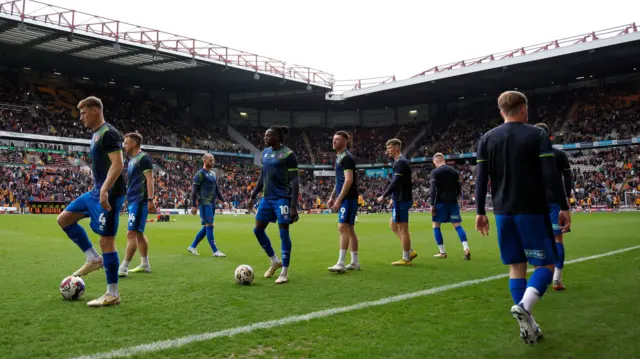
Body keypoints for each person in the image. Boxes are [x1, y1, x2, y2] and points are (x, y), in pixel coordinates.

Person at [475, 91, 571, 345]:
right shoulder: (536, 134)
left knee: (516, 267)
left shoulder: (486, 138)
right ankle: (526, 307)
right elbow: (550, 175)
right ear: (524, 108)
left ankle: (529, 323)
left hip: (502, 212)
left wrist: (480, 212)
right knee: (546, 266)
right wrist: (563, 205)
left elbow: (481, 178)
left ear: (501, 111)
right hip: (531, 209)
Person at [56, 96, 126, 307]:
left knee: (107, 241)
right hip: (96, 191)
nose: (81, 117)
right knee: (64, 219)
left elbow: (118, 164)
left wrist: (104, 190)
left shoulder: (109, 133)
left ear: (95, 110)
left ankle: (112, 293)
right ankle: (93, 259)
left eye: (84, 112)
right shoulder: (95, 134)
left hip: (110, 194)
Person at [247, 125, 300, 284]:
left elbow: (295, 180)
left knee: (283, 231)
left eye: (268, 135)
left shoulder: (288, 154)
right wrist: (253, 195)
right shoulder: (265, 153)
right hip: (267, 198)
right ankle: (274, 260)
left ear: (277, 137)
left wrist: (293, 205)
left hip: (282, 198)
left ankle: (284, 271)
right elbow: (263, 175)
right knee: (257, 230)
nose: (265, 138)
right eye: (265, 135)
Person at [535, 123, 573, 291]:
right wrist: (567, 198)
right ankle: (557, 279)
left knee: (537, 238)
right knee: (558, 239)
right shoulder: (559, 154)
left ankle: (539, 275)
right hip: (555, 201)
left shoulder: (529, 156)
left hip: (534, 202)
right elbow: (567, 177)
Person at [118, 132, 155, 277]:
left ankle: (123, 267)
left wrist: (150, 199)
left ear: (134, 144)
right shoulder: (132, 160)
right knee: (139, 233)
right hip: (133, 200)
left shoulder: (143, 158)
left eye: (126, 143)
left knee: (131, 233)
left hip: (140, 200)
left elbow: (150, 179)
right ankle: (145, 264)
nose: (124, 145)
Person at [377, 138, 417, 266]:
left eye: (389, 148)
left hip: (401, 200)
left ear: (397, 148)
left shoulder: (400, 163)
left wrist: (384, 196)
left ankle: (406, 258)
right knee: (393, 226)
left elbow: (396, 182)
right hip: (399, 198)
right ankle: (410, 251)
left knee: (402, 229)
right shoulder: (399, 162)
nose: (387, 151)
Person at [327, 131, 360, 272]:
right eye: (334, 139)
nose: (334, 141)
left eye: (338, 139)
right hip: (347, 197)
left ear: (345, 141)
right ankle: (354, 262)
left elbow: (349, 180)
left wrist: (339, 199)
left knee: (342, 228)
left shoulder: (346, 158)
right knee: (350, 229)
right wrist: (332, 196)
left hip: (348, 198)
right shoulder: (339, 157)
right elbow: (339, 180)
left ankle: (341, 263)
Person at [429, 153, 471, 260]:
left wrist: (432, 204)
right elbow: (459, 189)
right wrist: (455, 197)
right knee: (457, 225)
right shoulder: (454, 172)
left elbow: (433, 189)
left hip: (440, 203)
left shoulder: (435, 172)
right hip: (453, 202)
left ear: (436, 161)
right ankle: (466, 248)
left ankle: (442, 252)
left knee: (436, 225)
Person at [187, 154, 227, 257]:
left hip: (212, 203)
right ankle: (215, 251)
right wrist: (194, 205)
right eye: (210, 160)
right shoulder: (199, 174)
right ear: (204, 161)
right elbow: (194, 190)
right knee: (210, 225)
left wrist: (223, 201)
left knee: (207, 227)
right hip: (204, 203)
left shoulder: (213, 174)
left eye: (213, 160)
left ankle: (192, 246)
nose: (212, 162)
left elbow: (216, 188)